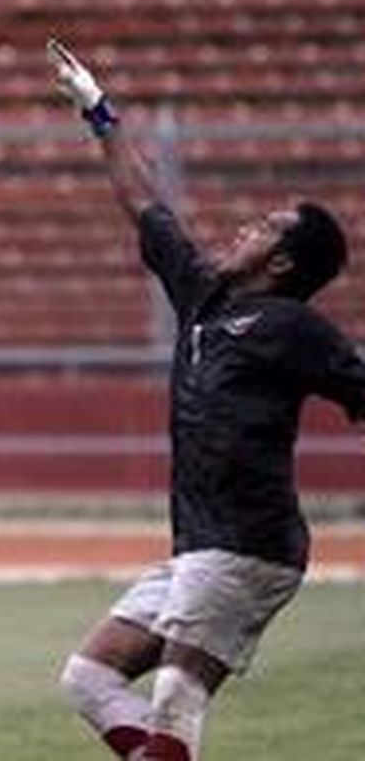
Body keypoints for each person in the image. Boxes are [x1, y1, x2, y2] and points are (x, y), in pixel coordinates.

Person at [47, 40, 365, 760]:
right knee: (88, 678)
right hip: (197, 550)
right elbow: (144, 201)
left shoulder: (295, 328)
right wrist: (97, 111)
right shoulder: (203, 296)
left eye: (263, 229)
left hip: (250, 550)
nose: (244, 227)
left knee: (174, 700)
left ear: (281, 263)